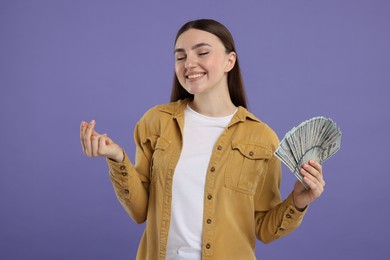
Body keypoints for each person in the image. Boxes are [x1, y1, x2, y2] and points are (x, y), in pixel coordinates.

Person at [80, 19, 325, 260]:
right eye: (180, 57)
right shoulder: (155, 123)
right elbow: (139, 211)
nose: (189, 64)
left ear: (230, 61)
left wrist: (298, 202)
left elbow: (263, 228)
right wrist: (117, 158)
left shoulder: (262, 139)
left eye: (202, 52)